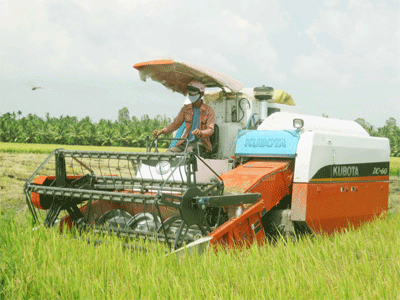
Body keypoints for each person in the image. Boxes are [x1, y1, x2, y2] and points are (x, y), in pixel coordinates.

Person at [152, 81, 215, 154]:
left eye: (193, 92)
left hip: (200, 144)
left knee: (187, 155)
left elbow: (210, 130)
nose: (191, 95)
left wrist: (200, 132)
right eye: (189, 93)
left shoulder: (209, 111)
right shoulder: (185, 109)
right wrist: (162, 131)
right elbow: (175, 124)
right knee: (168, 154)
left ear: (202, 94)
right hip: (185, 142)